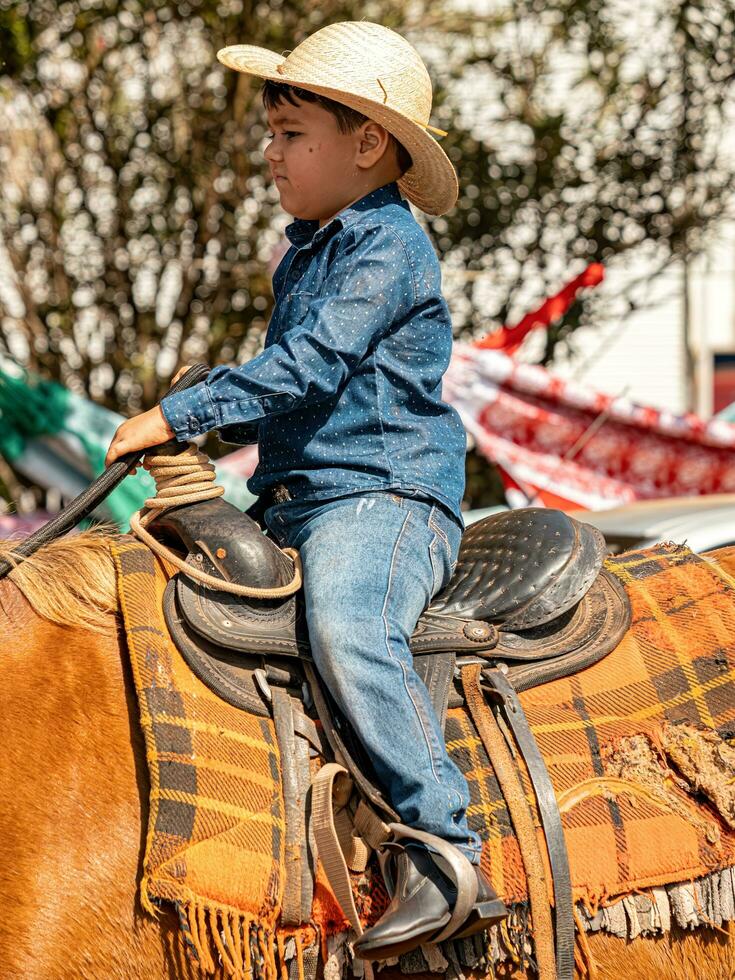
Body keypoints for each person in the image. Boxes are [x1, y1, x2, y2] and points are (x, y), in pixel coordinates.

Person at [105, 20, 506, 959]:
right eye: (272, 134)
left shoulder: (386, 246)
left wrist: (181, 413)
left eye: (290, 134)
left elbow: (310, 364)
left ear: (367, 144)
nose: (270, 153)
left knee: (346, 622)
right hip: (299, 500)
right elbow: (288, 391)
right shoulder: (310, 250)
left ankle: (444, 850)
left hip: (385, 499)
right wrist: (203, 416)